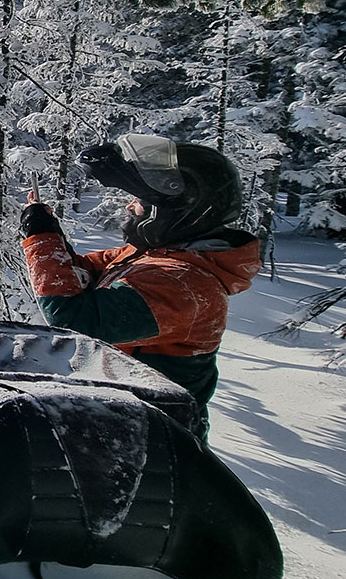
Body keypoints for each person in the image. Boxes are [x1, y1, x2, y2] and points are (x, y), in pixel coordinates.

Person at [19, 134, 261, 440]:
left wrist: (41, 239)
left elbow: (74, 319)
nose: (131, 207)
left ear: (178, 209)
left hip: (152, 440)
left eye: (142, 202)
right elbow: (85, 272)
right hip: (121, 419)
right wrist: (49, 234)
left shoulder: (182, 283)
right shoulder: (157, 255)